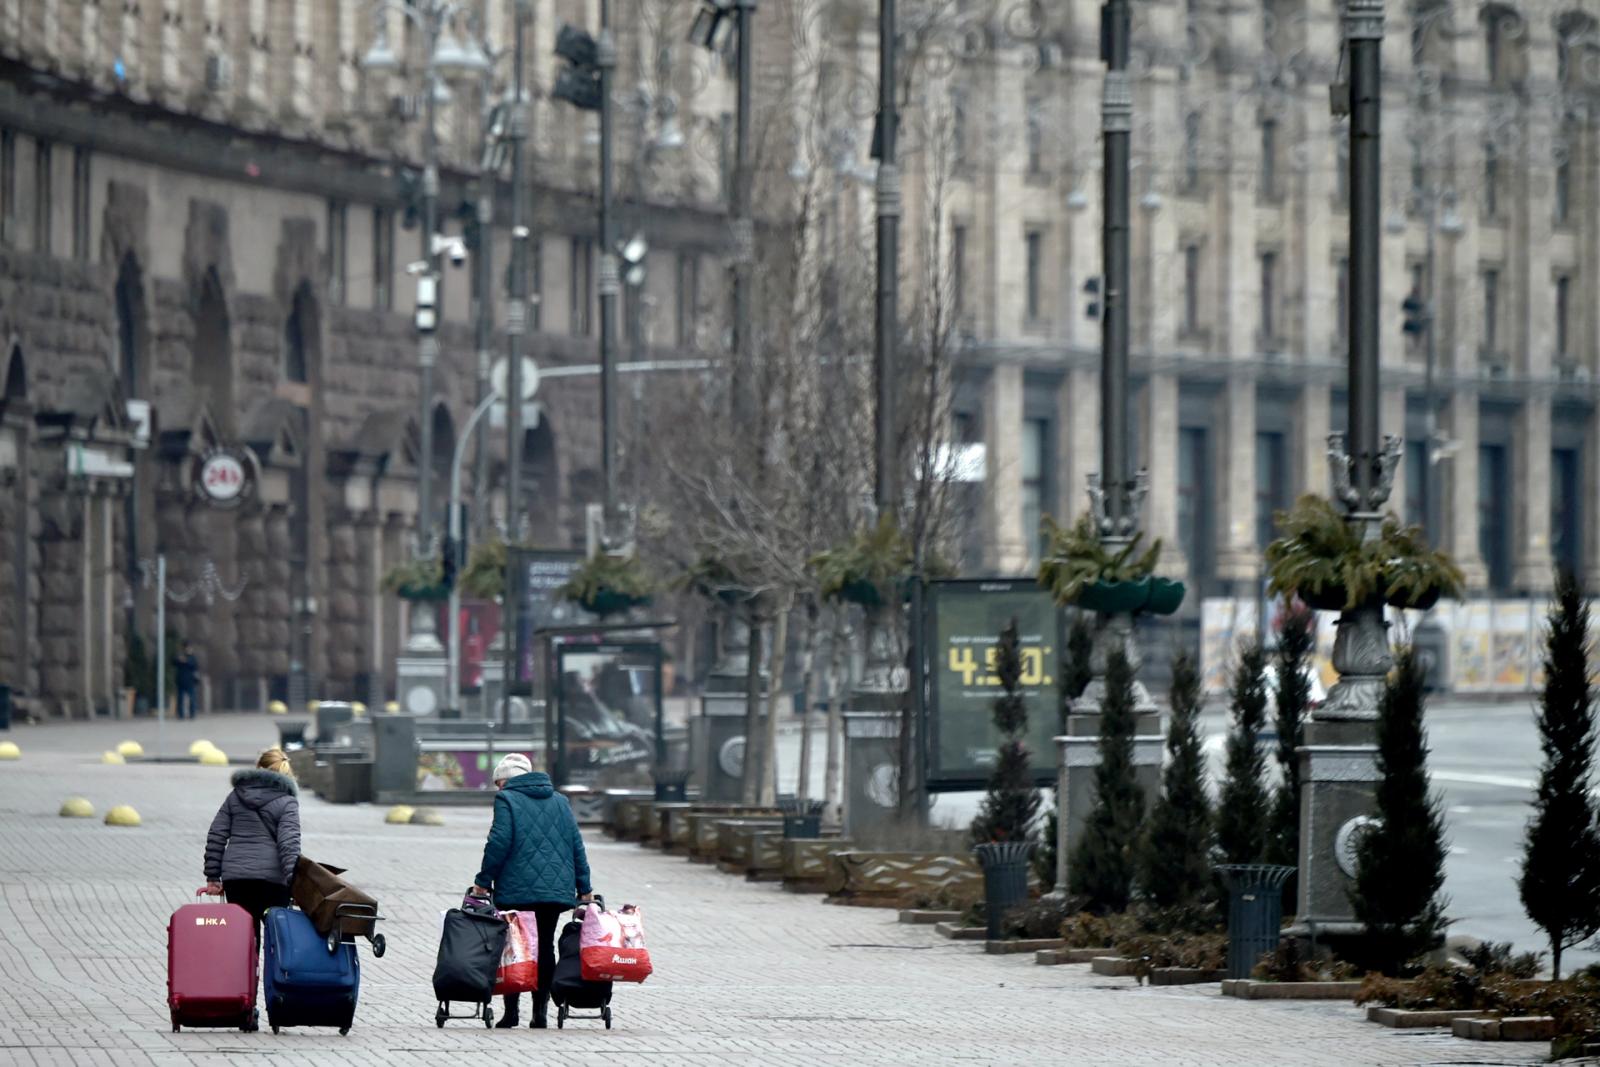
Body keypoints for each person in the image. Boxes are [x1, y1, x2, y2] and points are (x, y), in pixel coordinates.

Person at [472, 753, 592, 1029]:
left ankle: (511, 1013)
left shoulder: (507, 800)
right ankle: (540, 1014)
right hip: (554, 889)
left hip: (515, 888)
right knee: (545, 948)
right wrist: (584, 888)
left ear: (506, 781)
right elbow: (577, 845)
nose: (497, 789)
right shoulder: (560, 801)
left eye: (498, 783)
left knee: (513, 945)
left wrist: (483, 879)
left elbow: (499, 842)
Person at [202, 747, 302, 944]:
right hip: (273, 882)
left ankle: (245, 974)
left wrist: (213, 876)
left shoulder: (235, 796)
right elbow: (289, 845)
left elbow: (217, 834)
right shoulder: (287, 802)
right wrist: (294, 883)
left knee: (244, 939)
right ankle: (273, 975)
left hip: (237, 880)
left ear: (258, 767)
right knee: (278, 941)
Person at [175, 643, 200, 721]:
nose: (188, 649)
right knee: (180, 699)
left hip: (190, 682)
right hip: (181, 681)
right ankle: (181, 714)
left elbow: (195, 666)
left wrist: (186, 661)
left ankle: (192, 714)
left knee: (192, 699)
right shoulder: (179, 656)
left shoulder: (192, 658)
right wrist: (180, 660)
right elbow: (174, 662)